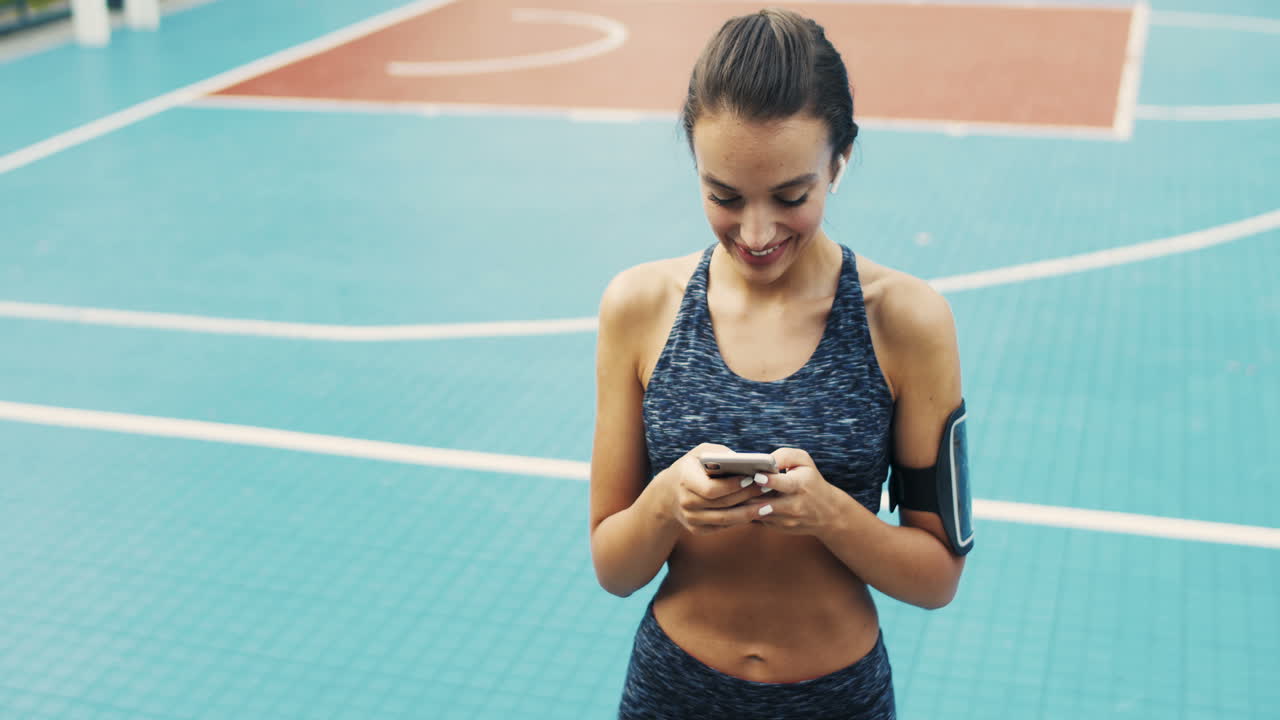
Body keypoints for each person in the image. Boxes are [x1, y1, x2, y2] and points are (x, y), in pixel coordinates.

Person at [589, 8, 972, 719]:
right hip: (674, 691)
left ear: (840, 159)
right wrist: (668, 502)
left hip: (837, 699)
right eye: (724, 197)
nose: (757, 232)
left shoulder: (907, 322)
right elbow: (613, 567)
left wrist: (831, 515)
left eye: (792, 197)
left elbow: (936, 577)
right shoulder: (639, 308)